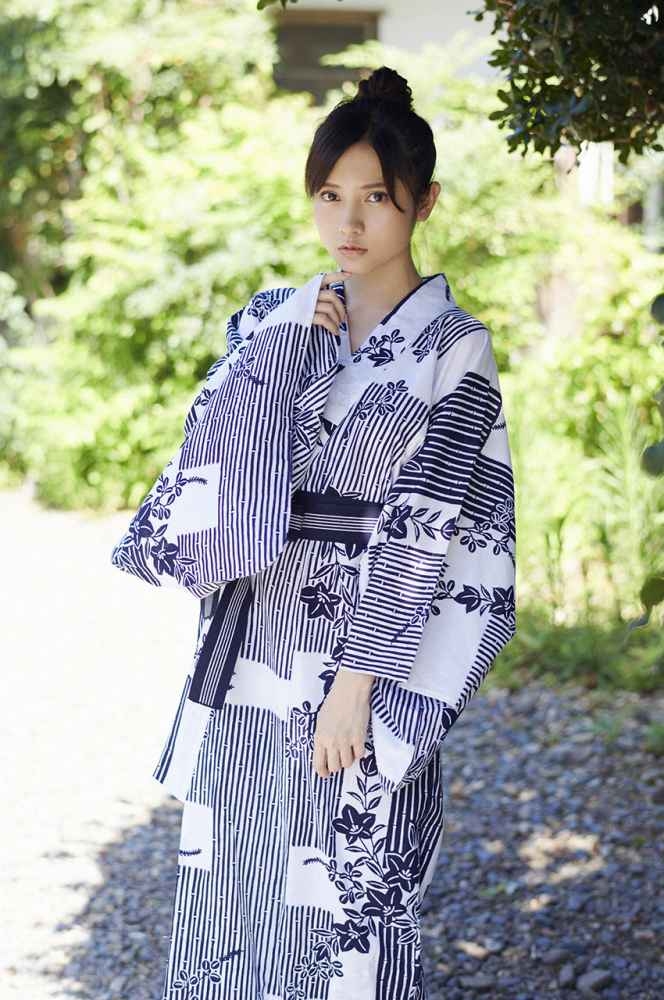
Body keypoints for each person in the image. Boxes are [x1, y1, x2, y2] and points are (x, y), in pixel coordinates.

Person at [130, 65, 516, 1000]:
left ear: (424, 202)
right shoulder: (275, 315)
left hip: (369, 651)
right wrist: (281, 342)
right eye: (329, 195)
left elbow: (431, 524)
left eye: (376, 198)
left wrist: (357, 685)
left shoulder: (453, 347)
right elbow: (205, 460)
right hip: (256, 636)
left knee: (352, 902)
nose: (349, 221)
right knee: (232, 896)